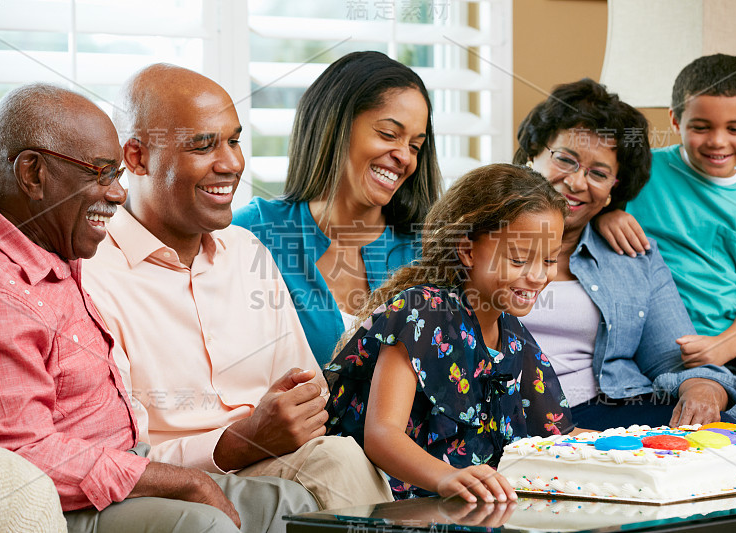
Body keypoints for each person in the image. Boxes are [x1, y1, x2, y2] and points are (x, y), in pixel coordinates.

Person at [0, 83, 315, 533]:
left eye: (116, 176)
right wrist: (183, 482)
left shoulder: (63, 254)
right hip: (75, 499)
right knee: (208, 526)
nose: (118, 194)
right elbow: (24, 455)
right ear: (33, 174)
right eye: (101, 174)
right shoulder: (11, 294)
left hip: (129, 467)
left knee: (297, 505)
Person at [82, 64, 393, 510]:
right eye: (203, 145)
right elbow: (118, 456)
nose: (231, 164)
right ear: (136, 158)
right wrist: (235, 443)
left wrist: (294, 418)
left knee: (345, 456)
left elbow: (309, 393)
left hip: (283, 463)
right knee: (339, 464)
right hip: (169, 487)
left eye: (233, 140)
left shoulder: (247, 250)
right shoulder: (91, 274)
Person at [514, 79, 736, 430]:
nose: (577, 182)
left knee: (732, 435)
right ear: (533, 154)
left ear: (614, 190)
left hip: (607, 410)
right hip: (510, 413)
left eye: (599, 173)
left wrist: (702, 388)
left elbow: (672, 357)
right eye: (565, 159)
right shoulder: (481, 236)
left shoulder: (633, 255)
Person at [325, 164, 574, 501]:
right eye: (518, 260)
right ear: (468, 250)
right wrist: (448, 479)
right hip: (393, 504)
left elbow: (557, 437)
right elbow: (382, 434)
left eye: (548, 260)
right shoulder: (422, 312)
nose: (537, 276)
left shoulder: (513, 336)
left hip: (473, 508)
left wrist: (649, 446)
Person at [595, 54, 736, 403]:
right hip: (676, 340)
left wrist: (724, 345)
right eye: (701, 127)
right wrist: (605, 213)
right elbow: (580, 199)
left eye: (735, 129)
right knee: (728, 424)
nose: (717, 141)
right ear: (675, 120)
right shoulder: (642, 172)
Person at [233, 51, 443, 365]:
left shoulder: (428, 252)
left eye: (415, 146)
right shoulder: (251, 232)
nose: (405, 157)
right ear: (335, 125)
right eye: (388, 134)